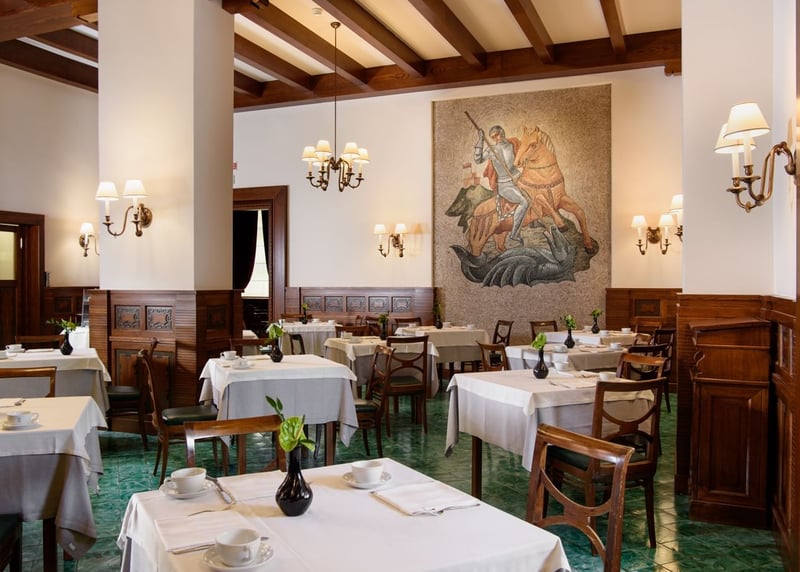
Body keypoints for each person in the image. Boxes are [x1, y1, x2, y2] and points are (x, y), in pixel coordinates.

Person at [474, 125, 530, 246]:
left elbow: (525, 155)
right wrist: (481, 140)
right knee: (524, 202)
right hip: (505, 185)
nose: (495, 138)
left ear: (502, 133)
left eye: (497, 135)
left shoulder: (512, 144)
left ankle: (534, 221)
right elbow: (478, 159)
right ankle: (515, 234)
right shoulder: (491, 150)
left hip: (519, 178)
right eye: (493, 137)